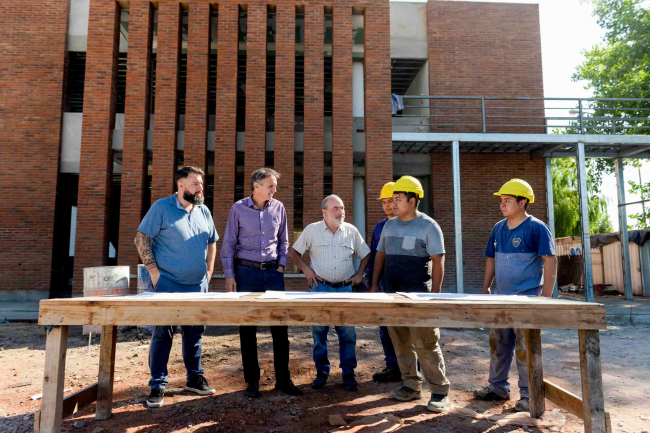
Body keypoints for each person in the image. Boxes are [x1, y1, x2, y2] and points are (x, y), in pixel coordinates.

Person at [134, 166, 218, 408]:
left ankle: (194, 378)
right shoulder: (162, 207)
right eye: (195, 184)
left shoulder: (203, 210)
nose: (200, 188)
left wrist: (209, 272)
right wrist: (154, 274)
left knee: (194, 334)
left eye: (201, 184)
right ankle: (158, 385)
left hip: (197, 285)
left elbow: (212, 241)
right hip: (167, 283)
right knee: (163, 334)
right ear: (181, 185)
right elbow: (141, 238)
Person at [473, 179, 557, 412]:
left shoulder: (537, 228)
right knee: (498, 344)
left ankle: (529, 396)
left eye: (507, 200)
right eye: (502, 200)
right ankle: (497, 388)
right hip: (501, 298)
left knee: (525, 348)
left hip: (527, 298)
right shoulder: (498, 228)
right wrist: (486, 287)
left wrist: (546, 298)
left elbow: (550, 260)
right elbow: (491, 258)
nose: (502, 204)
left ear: (522, 203)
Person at [370, 175, 451, 413]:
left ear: (413, 200)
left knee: (426, 344)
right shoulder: (389, 225)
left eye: (398, 199)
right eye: (392, 199)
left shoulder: (428, 226)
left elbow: (438, 261)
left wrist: (435, 296)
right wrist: (375, 285)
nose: (393, 204)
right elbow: (380, 256)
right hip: (392, 295)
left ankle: (439, 391)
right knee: (401, 342)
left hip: (419, 296)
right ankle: (411, 386)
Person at [221, 168, 302, 399]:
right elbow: (229, 243)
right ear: (256, 185)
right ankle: (252, 381)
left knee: (280, 328)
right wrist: (229, 275)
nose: (274, 190)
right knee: (248, 329)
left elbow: (284, 240)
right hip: (246, 272)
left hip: (273, 273)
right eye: (270, 185)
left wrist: (281, 266)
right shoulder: (238, 209)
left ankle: (283, 380)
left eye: (275, 186)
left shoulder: (279, 208)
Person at [289, 195, 371, 392]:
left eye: (342, 208)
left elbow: (366, 254)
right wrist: (307, 271)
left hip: (345, 289)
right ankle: (322, 373)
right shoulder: (312, 230)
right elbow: (294, 253)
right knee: (319, 334)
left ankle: (348, 374)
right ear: (324, 212)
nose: (340, 212)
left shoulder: (351, 231)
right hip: (320, 289)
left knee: (348, 334)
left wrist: (360, 274)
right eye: (335, 208)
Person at [365, 182, 401, 383]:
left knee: (407, 327)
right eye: (384, 202)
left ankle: (413, 369)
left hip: (403, 283)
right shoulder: (379, 227)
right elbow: (373, 257)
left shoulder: (408, 224)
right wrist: (373, 284)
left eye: (392, 201)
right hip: (384, 284)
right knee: (385, 327)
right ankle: (392, 367)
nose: (388, 206)